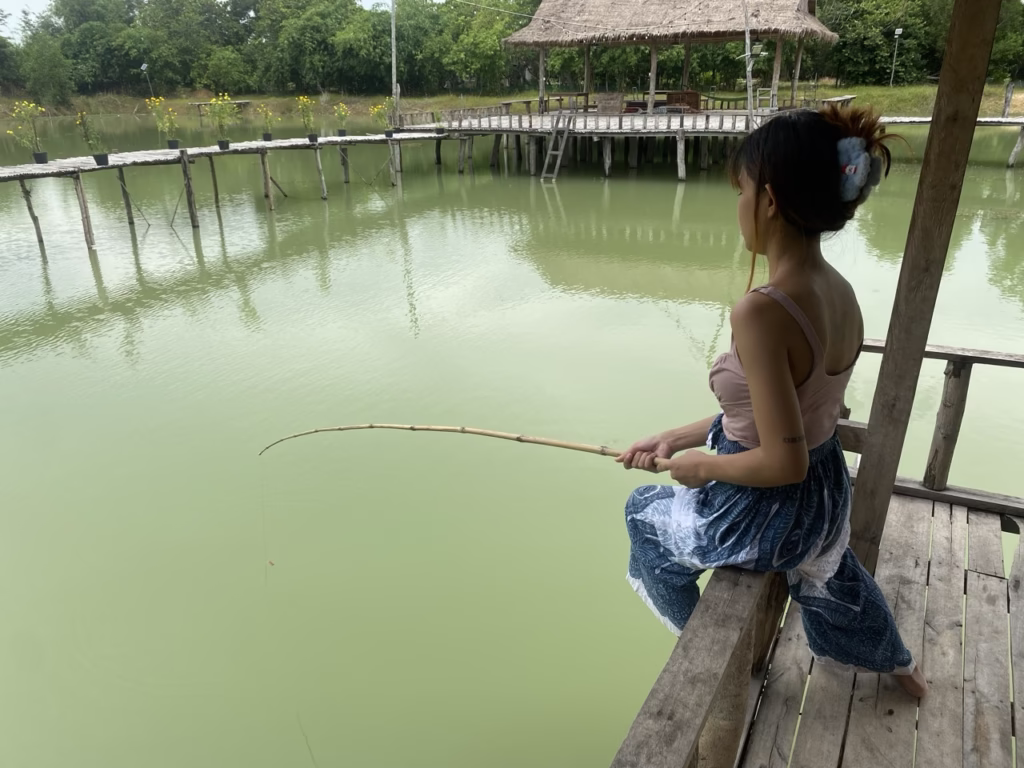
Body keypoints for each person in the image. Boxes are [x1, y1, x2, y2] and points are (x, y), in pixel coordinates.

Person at [616, 105, 928, 699]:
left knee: (643, 514)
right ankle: (900, 666)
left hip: (768, 511)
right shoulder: (839, 290)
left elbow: (781, 461)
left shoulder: (762, 310)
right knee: (834, 576)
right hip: (826, 496)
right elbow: (798, 414)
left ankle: (707, 653)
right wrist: (677, 438)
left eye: (742, 190)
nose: (738, 205)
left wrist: (699, 466)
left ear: (769, 200)